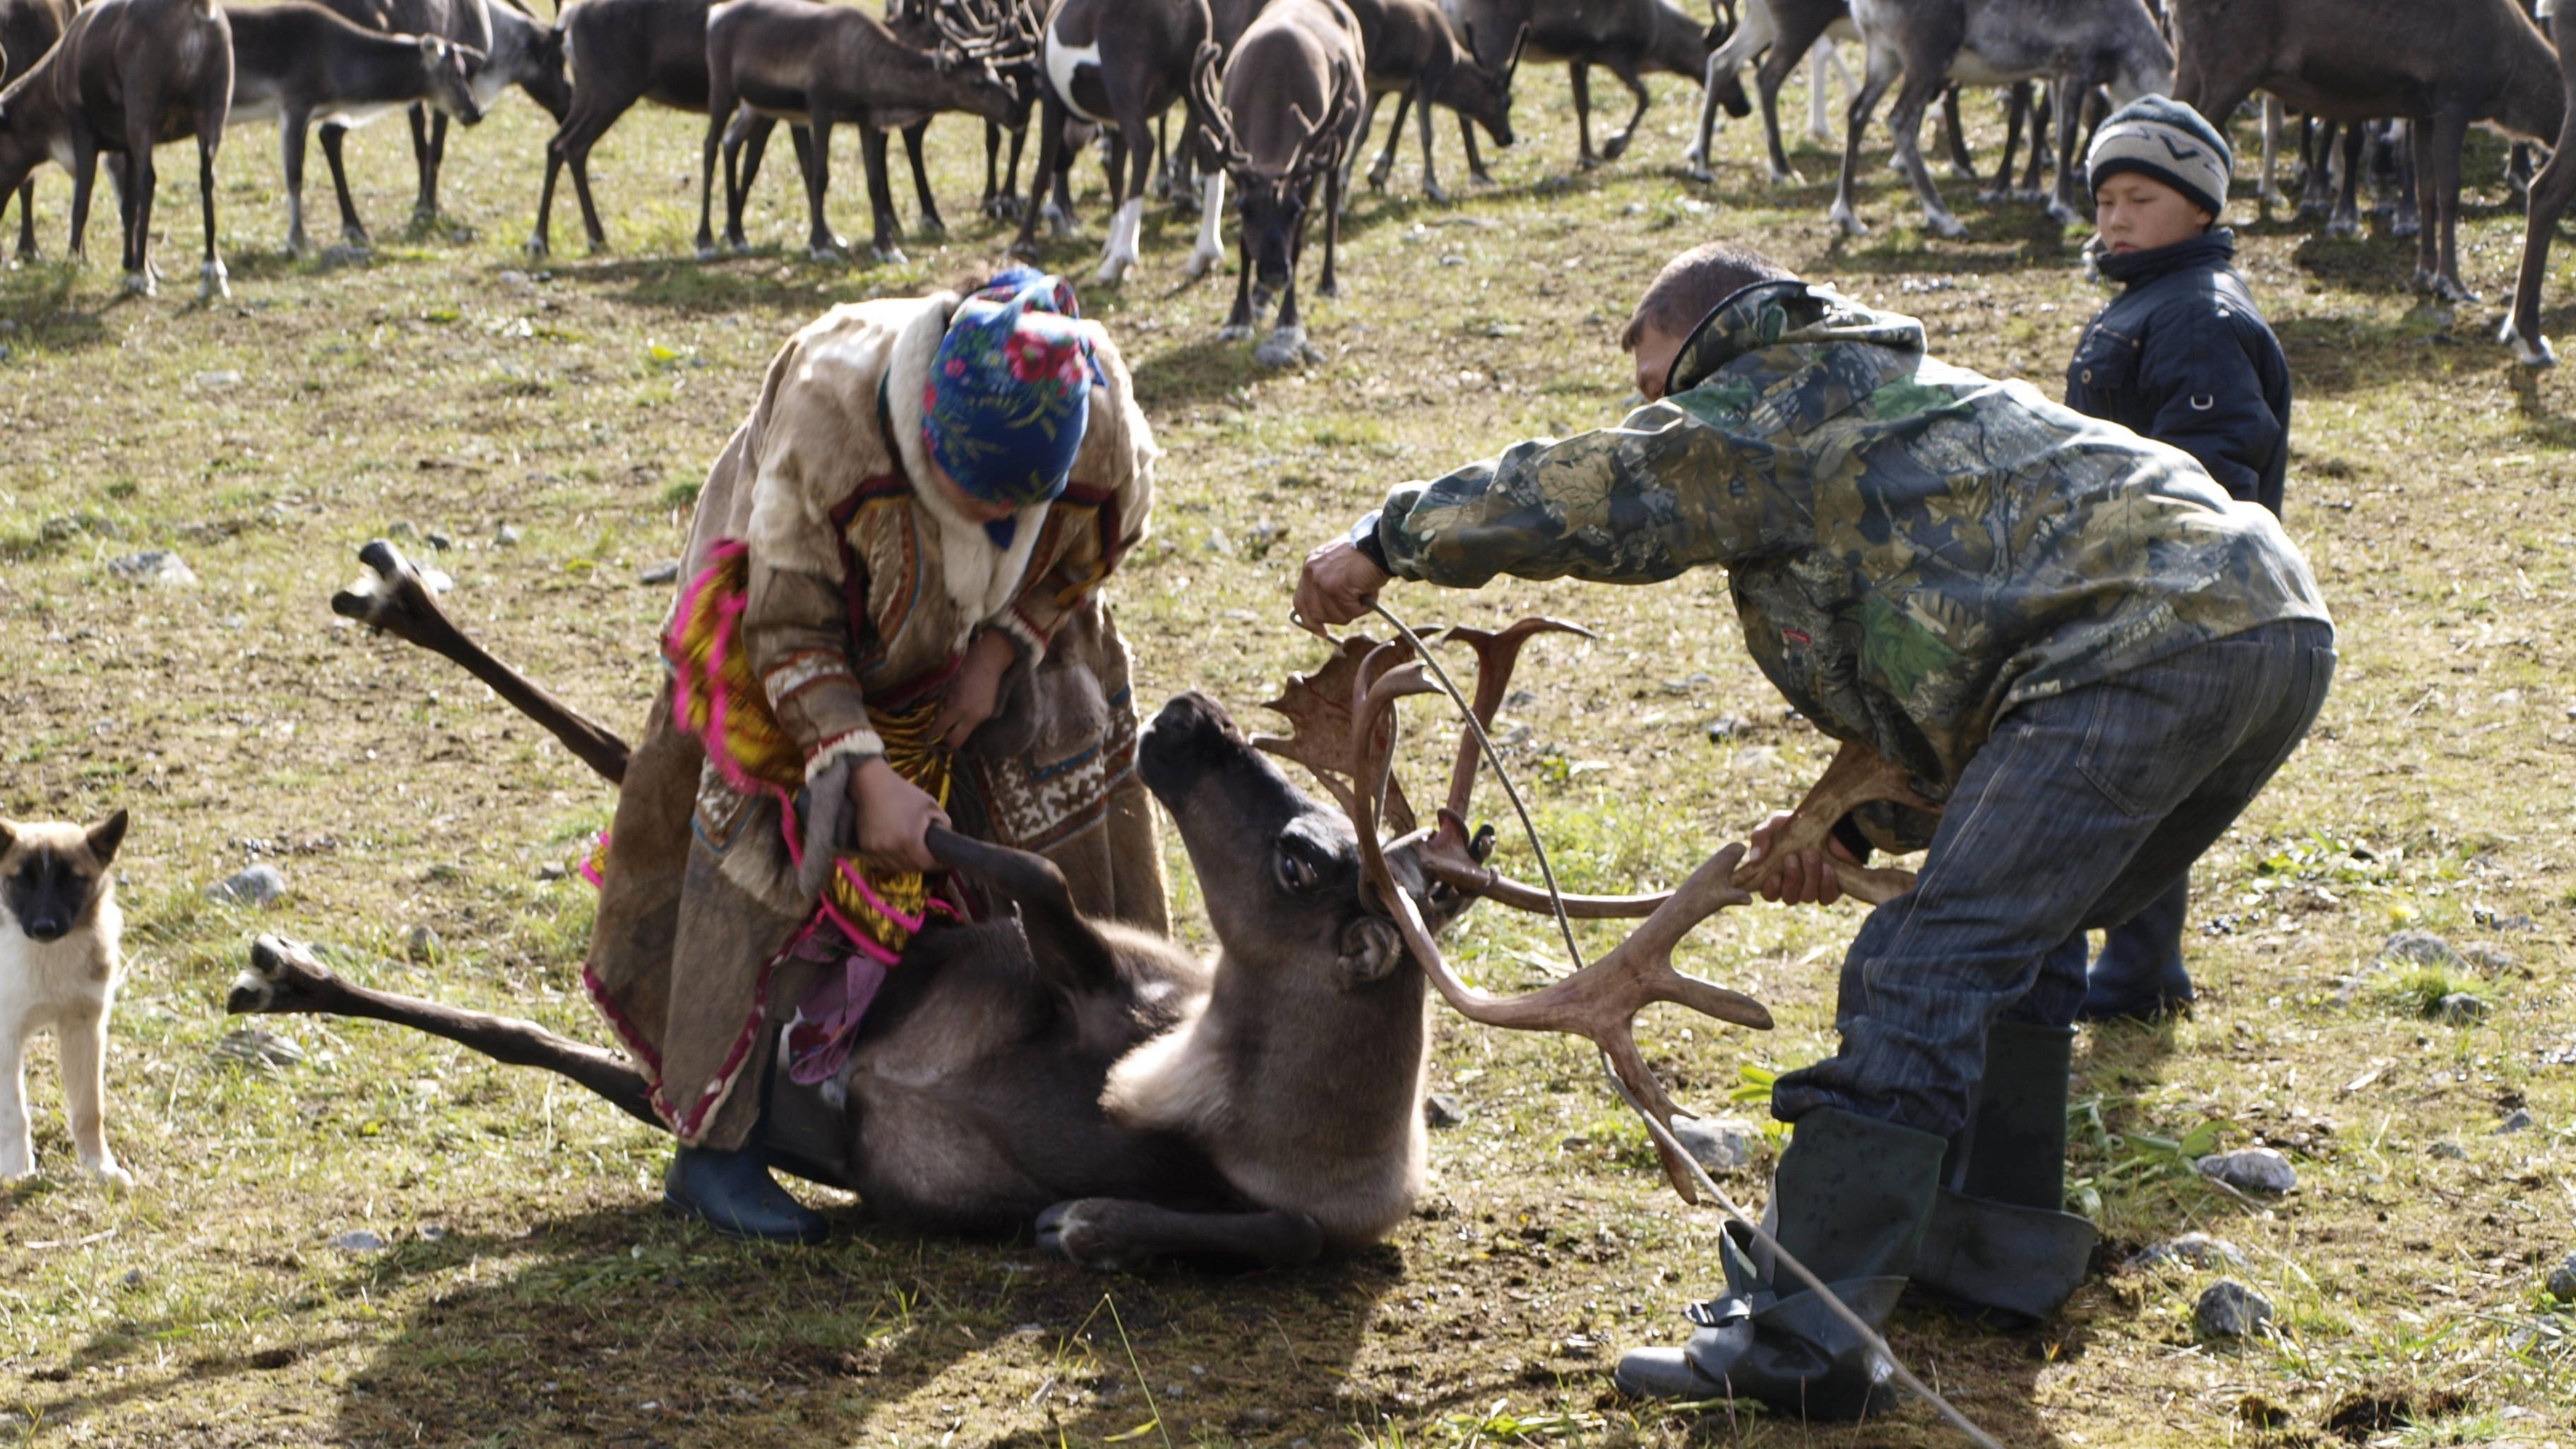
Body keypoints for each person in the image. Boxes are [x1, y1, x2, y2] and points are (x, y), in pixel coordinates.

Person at [1294, 240, 2333, 1417]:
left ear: (1701, 336)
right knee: (2014, 937)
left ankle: (1799, 1342)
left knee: (1923, 963)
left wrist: (1388, 540)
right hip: (2264, 626)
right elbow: (1953, 671)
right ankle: (1982, 1249)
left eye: (1653, 385)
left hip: (2148, 644)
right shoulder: (1884, 403)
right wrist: (1850, 833)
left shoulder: (1773, 398)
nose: (1655, 414)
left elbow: (1598, 488)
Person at [583, 268, 1167, 1244]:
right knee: (760, 845)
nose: (994, 526)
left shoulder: (1096, 413)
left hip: (980, 623)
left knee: (1066, 747)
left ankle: (1141, 1043)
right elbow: (787, 627)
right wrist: (855, 768)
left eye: (1016, 511)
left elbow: (1102, 538)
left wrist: (1004, 644)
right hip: (790, 613)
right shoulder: (833, 418)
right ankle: (715, 1147)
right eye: (972, 500)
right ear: (927, 439)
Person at [2063, 95, 2294, 1022]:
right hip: (2135, 587)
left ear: (2201, 207)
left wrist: (2150, 570)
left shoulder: (2196, 316)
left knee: (2135, 784)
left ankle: (2134, 976)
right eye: (2105, 199)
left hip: (2178, 595)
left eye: (2139, 201)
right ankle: (2144, 972)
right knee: (2142, 784)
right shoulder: (2154, 302)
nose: (2116, 219)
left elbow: (2212, 466)